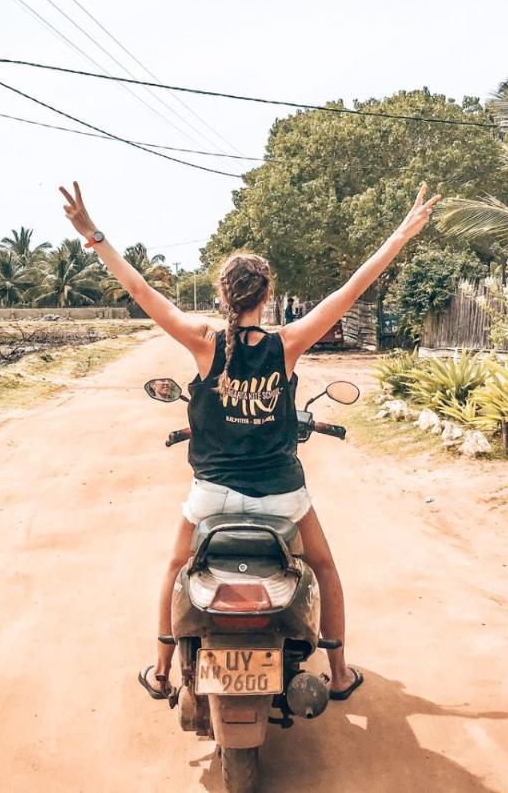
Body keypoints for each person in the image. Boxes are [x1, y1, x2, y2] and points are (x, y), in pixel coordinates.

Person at [58, 180, 440, 701]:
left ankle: (163, 670)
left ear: (223, 295)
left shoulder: (201, 341)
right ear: (266, 295)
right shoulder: (289, 343)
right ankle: (342, 672)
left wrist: (95, 235)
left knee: (174, 566)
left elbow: (141, 292)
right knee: (324, 566)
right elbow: (350, 288)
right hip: (282, 493)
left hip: (211, 493)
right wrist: (399, 235)